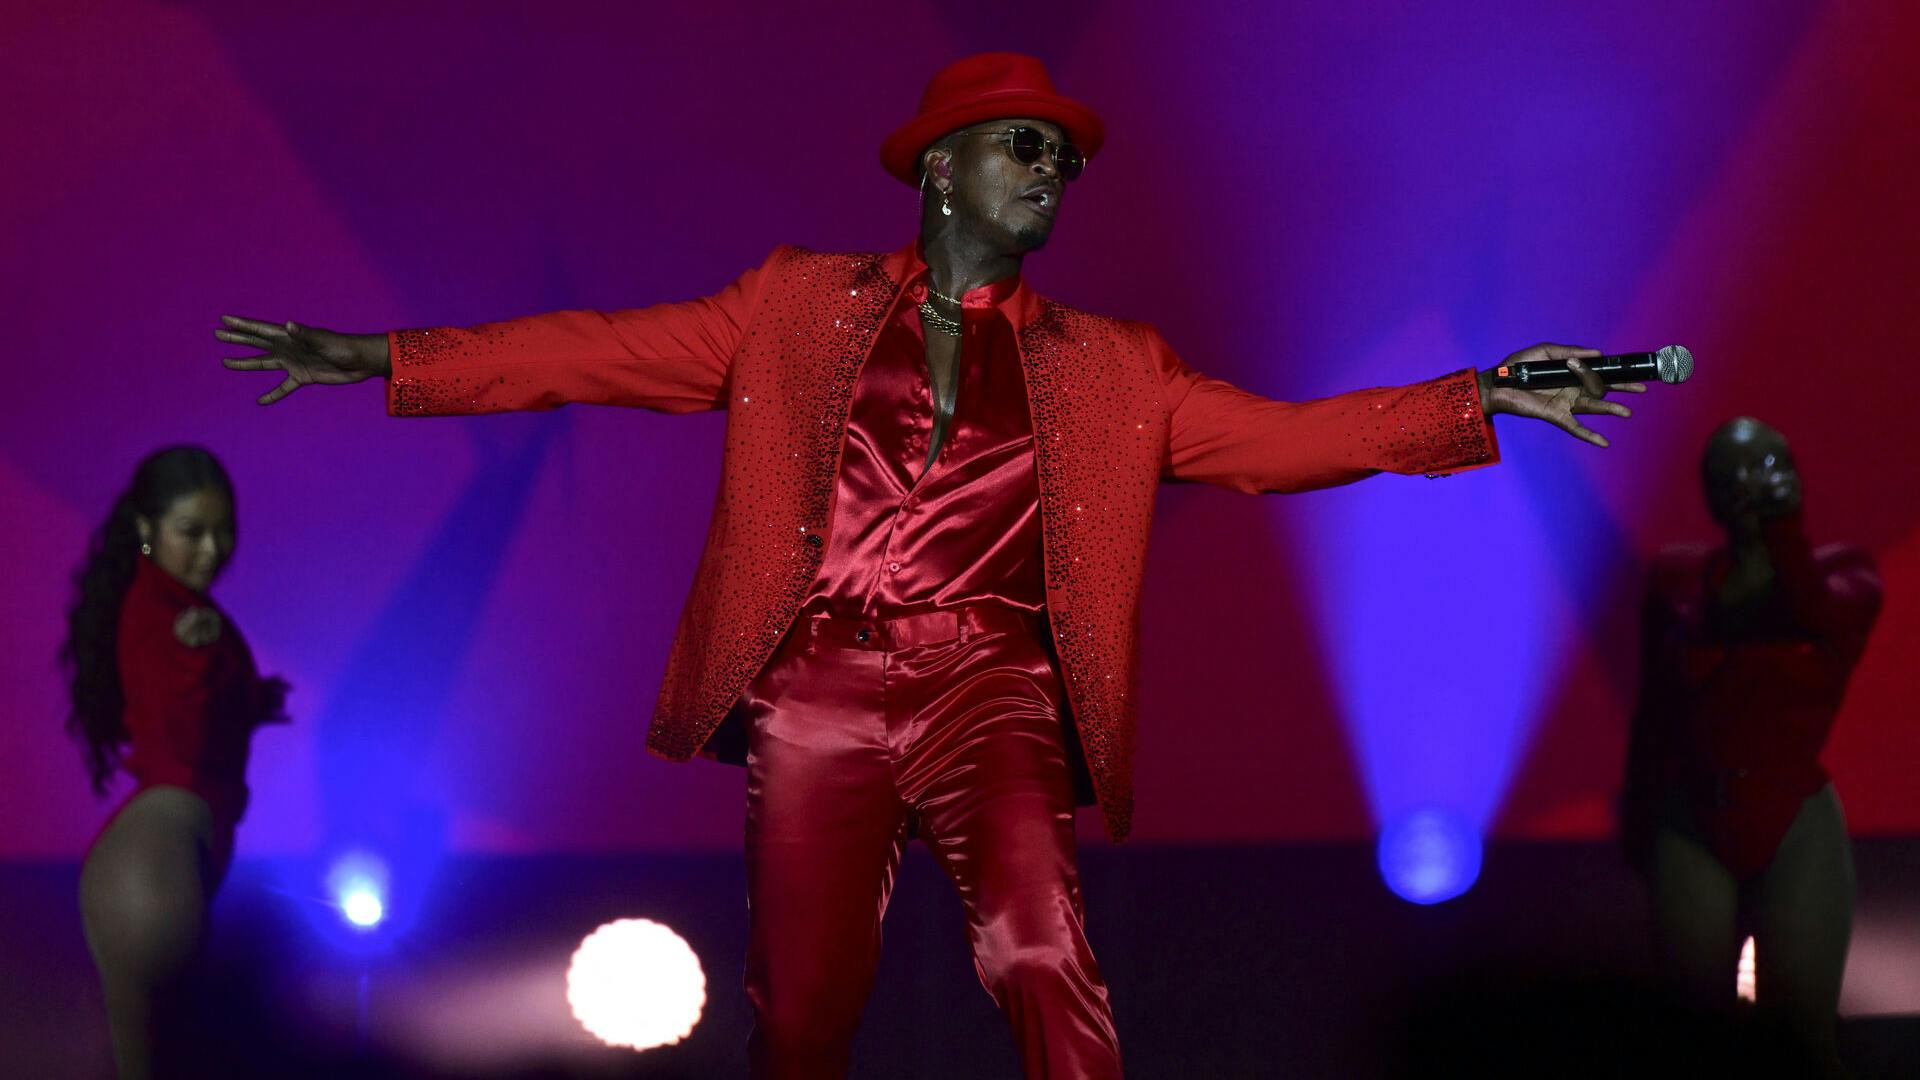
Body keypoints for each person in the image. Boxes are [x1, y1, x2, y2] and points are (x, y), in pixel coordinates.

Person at [217, 53, 1638, 1079]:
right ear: (942, 165)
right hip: (818, 687)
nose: (1049, 174)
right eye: (1022, 146)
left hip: (994, 687)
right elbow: (591, 348)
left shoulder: (1107, 365)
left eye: (1062, 159)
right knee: (808, 1008)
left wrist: (1480, 397)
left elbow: (1279, 442)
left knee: (1040, 955)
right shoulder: (792, 307)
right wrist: (388, 361)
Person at [1621, 417, 1879, 1077]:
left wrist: (1784, 533)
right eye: (1732, 474)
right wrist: (1637, 813)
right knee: (1689, 1046)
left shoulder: (1848, 577)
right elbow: (1656, 706)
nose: (1751, 482)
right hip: (1692, 817)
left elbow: (1813, 615)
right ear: (1709, 496)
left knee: (1804, 1041)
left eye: (1767, 464)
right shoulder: (1679, 580)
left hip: (1795, 817)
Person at [60, 446, 289, 1078]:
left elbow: (185, 716)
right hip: (156, 862)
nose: (212, 550)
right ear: (145, 530)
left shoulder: (178, 609)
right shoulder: (166, 616)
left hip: (160, 859)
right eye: (191, 532)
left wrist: (250, 700)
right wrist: (193, 666)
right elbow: (175, 728)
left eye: (224, 531)